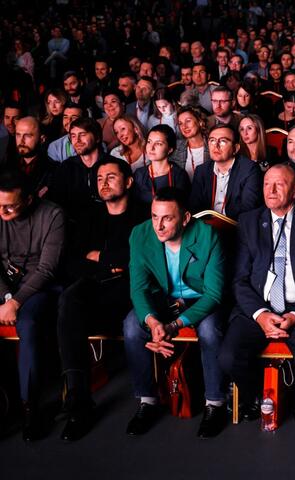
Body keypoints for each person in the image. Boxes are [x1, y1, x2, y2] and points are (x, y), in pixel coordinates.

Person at [218, 164, 295, 425]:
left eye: (279, 184)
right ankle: (256, 395)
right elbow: (239, 280)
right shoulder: (249, 222)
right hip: (257, 307)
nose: (271, 190)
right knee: (228, 357)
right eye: (266, 184)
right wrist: (261, 315)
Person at [123, 187, 227, 438]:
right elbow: (138, 288)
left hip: (199, 299)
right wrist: (152, 322)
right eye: (154, 216)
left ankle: (215, 403)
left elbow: (214, 295)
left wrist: (173, 325)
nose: (158, 226)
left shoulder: (208, 236)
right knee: (131, 326)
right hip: (163, 300)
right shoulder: (140, 234)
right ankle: (147, 400)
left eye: (167, 218)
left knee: (210, 331)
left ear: (185, 218)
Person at [56, 157, 145, 441]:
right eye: (99, 178)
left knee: (74, 310)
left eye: (111, 177)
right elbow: (71, 262)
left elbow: (142, 260)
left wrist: (101, 257)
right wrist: (111, 264)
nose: (103, 183)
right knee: (69, 300)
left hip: (132, 292)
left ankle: (145, 400)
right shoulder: (89, 216)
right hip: (96, 287)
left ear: (128, 182)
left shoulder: (144, 214)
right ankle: (79, 401)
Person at [0, 169, 64, 441]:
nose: (2, 212)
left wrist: (16, 302)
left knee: (28, 323)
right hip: (6, 288)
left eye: (9, 206)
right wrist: (6, 298)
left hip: (40, 287)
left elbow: (47, 270)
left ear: (28, 200)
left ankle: (30, 407)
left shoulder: (52, 214)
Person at [189, 123, 262, 219]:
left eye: (223, 141)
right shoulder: (202, 170)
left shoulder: (250, 169)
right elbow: (194, 207)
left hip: (235, 224)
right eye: (212, 141)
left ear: (235, 148)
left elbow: (248, 208)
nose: (216, 146)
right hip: (206, 224)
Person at [48, 117, 108, 223]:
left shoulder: (114, 166)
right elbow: (57, 203)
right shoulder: (65, 168)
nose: (77, 140)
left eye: (82, 135)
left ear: (97, 137)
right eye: (73, 136)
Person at [133, 125, 191, 208]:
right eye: (149, 142)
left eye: (158, 144)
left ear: (170, 149)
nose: (151, 148)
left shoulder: (179, 175)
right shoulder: (139, 174)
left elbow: (182, 207)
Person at [12, 117, 56, 198]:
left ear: (42, 139)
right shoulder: (7, 165)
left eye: (27, 136)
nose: (21, 141)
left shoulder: (53, 170)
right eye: (18, 135)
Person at [170, 105, 209, 182]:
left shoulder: (212, 145)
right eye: (180, 123)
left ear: (200, 122)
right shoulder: (176, 148)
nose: (184, 126)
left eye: (188, 121)